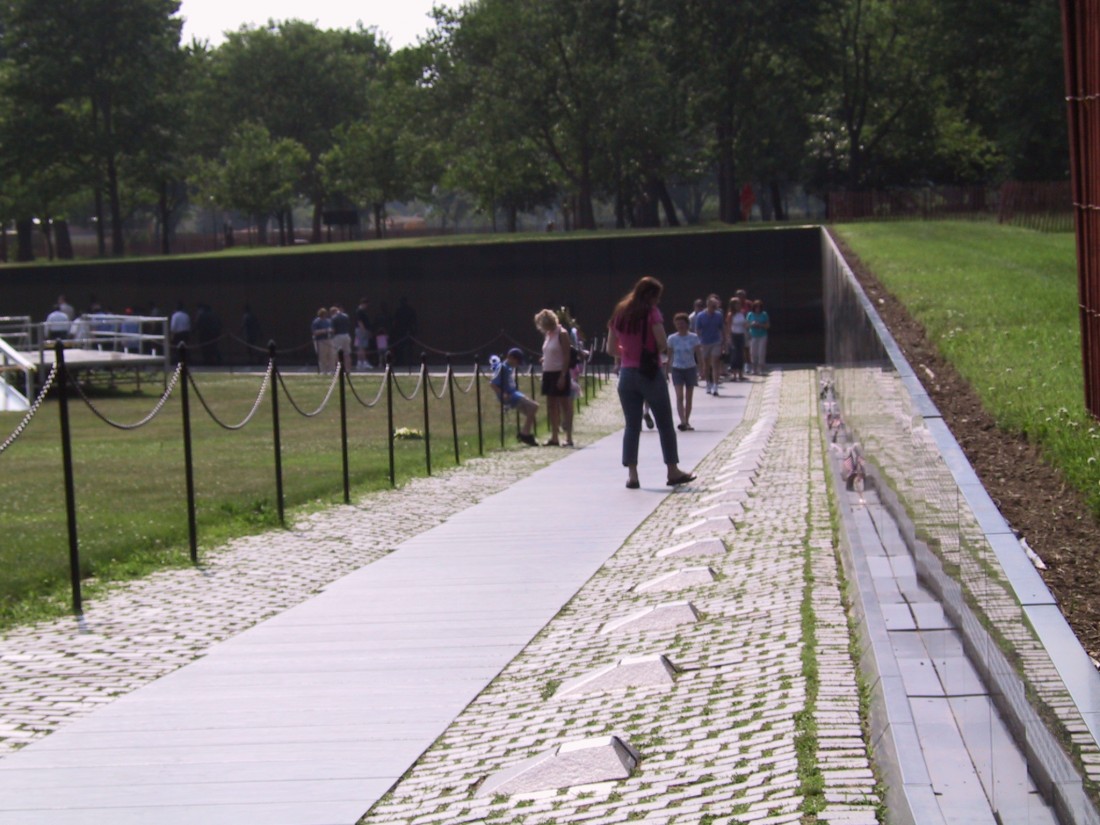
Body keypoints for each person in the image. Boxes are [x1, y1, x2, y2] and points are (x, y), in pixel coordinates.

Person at [606, 276, 696, 489]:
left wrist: (627, 352)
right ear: (650, 295)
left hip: (627, 374)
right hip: (649, 373)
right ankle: (672, 470)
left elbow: (610, 349)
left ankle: (632, 475)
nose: (658, 301)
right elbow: (663, 343)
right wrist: (646, 350)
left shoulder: (619, 313)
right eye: (657, 297)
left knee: (632, 425)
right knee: (665, 423)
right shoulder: (651, 313)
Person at [535, 307, 574, 447]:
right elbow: (550, 351)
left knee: (565, 405)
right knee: (551, 405)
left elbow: (566, 355)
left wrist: (563, 376)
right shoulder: (548, 334)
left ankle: (568, 438)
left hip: (559, 372)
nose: (542, 327)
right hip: (548, 372)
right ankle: (554, 437)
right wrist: (545, 359)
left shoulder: (562, 333)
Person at [490, 348, 539, 446]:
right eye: (517, 361)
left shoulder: (508, 367)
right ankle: (525, 434)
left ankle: (526, 433)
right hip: (510, 395)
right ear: (511, 357)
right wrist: (502, 393)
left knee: (531, 411)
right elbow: (493, 384)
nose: (517, 364)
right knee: (534, 406)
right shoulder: (502, 367)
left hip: (514, 393)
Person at [668, 312, 703, 431]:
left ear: (687, 324)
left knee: (689, 396)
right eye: (678, 324)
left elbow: (698, 354)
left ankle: (687, 420)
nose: (680, 326)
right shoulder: (672, 338)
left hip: (690, 368)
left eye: (682, 323)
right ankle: (682, 420)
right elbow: (669, 355)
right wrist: (666, 371)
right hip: (677, 369)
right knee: (679, 396)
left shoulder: (693, 337)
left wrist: (701, 369)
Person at [694, 293, 726, 395]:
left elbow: (722, 328)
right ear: (708, 305)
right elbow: (697, 330)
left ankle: (715, 386)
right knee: (706, 364)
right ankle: (708, 383)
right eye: (712, 306)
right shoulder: (700, 316)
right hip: (704, 342)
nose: (714, 308)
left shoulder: (718, 315)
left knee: (715, 363)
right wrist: (699, 341)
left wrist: (724, 340)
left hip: (716, 341)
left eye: (715, 306)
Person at [747, 299, 770, 376]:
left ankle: (761, 369)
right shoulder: (750, 314)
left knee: (761, 352)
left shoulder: (764, 314)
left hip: (762, 335)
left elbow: (768, 325)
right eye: (756, 307)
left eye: (759, 307)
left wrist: (761, 325)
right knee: (753, 353)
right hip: (753, 335)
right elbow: (746, 325)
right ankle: (754, 369)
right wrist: (752, 324)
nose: (758, 308)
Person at [727, 297, 747, 382]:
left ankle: (741, 374)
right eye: (737, 304)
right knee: (734, 355)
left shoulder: (742, 313)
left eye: (739, 303)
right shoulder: (730, 314)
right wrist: (729, 338)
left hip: (741, 335)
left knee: (741, 355)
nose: (738, 305)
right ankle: (734, 375)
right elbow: (728, 327)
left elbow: (745, 324)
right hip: (734, 335)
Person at [329, 305, 352, 373]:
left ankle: (339, 369)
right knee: (347, 354)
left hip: (338, 336)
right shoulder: (346, 316)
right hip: (346, 335)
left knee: (337, 354)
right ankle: (348, 369)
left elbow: (333, 330)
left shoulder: (334, 318)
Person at [311, 307, 335, 373]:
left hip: (329, 340)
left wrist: (331, 330)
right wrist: (325, 331)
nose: (324, 315)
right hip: (321, 341)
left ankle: (332, 370)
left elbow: (333, 329)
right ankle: (323, 371)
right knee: (322, 356)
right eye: (323, 314)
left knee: (331, 355)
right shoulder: (316, 322)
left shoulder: (329, 321)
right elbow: (315, 332)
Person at [354, 297, 373, 370]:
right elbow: (360, 321)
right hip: (361, 330)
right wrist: (364, 330)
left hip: (363, 330)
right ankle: (363, 362)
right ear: (364, 304)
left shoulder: (362, 311)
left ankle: (360, 362)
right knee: (361, 346)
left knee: (362, 346)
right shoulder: (359, 311)